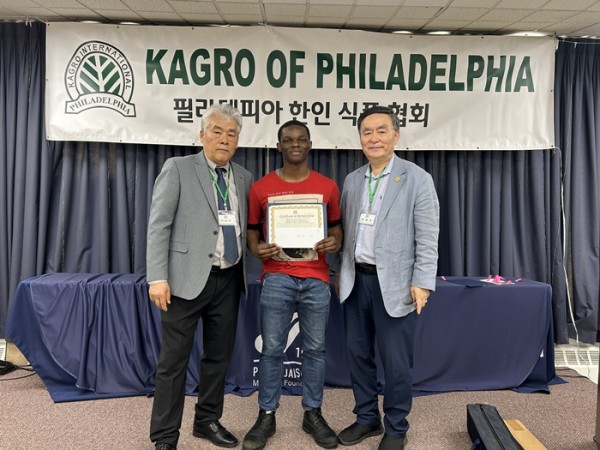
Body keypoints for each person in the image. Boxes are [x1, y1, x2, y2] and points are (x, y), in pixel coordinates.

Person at [146, 103, 253, 450]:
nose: (224, 139)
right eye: (217, 131)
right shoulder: (178, 168)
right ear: (202, 134)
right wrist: (157, 276)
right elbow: (159, 225)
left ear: (237, 141)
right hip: (184, 280)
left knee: (218, 358)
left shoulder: (244, 177)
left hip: (229, 279)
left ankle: (207, 420)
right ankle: (165, 435)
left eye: (231, 134)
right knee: (173, 362)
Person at [336, 106, 439, 450]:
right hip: (356, 281)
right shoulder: (352, 180)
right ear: (360, 139)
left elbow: (428, 237)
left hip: (395, 285)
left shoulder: (417, 179)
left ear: (396, 135)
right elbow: (346, 231)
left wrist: (422, 281)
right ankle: (367, 418)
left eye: (381, 130)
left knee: (396, 363)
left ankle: (396, 427)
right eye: (367, 132)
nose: (374, 138)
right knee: (358, 356)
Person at [243, 119, 343, 450]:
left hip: (316, 277)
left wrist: (334, 242)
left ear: (310, 145)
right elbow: (252, 232)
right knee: (272, 349)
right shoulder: (261, 188)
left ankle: (312, 412)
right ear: (279, 146)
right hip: (277, 277)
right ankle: (266, 415)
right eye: (288, 140)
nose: (295, 144)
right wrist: (256, 249)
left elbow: (337, 228)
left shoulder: (327, 186)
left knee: (315, 350)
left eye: (301, 139)